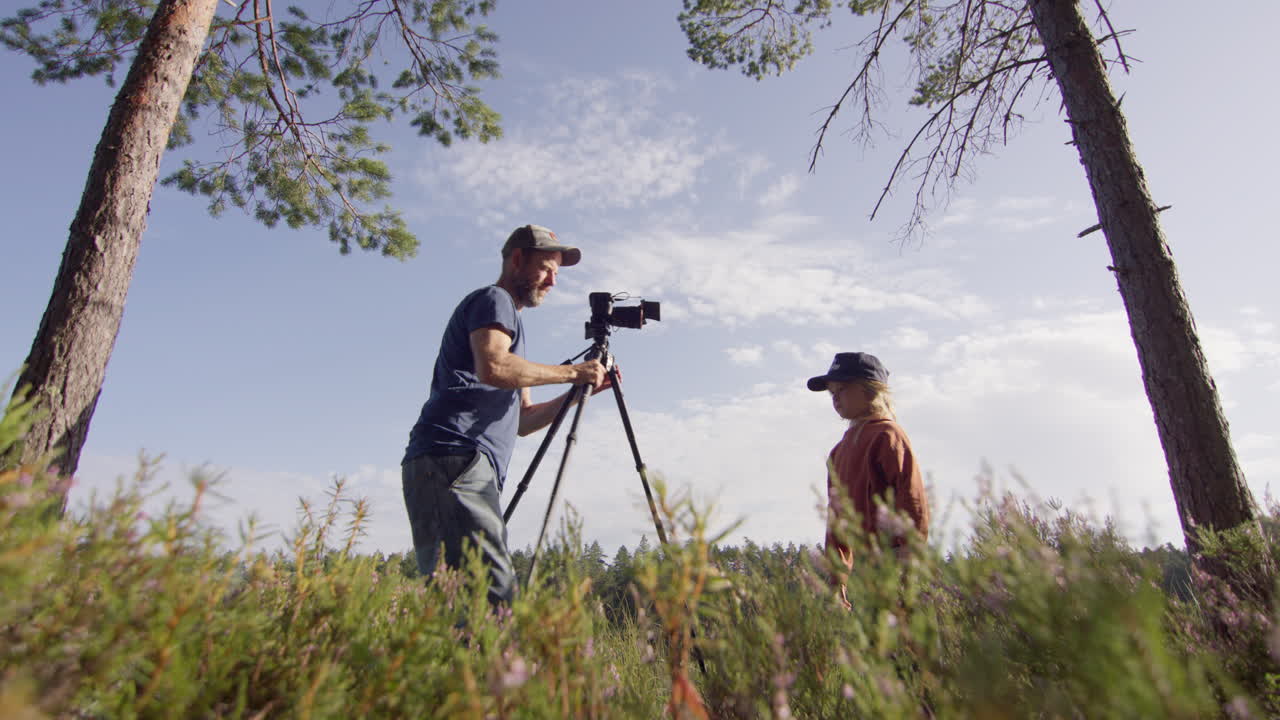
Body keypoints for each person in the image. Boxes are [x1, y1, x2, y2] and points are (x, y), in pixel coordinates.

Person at [401, 224, 609, 607]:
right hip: (457, 459)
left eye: (557, 274)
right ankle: (497, 667)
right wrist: (574, 372)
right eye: (547, 269)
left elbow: (525, 420)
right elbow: (494, 366)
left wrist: (579, 393)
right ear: (517, 259)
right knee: (493, 601)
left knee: (455, 605)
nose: (552, 281)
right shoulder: (494, 299)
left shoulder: (507, 323)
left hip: (448, 464)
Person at [807, 352, 929, 603]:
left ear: (871, 390)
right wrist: (837, 579)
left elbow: (911, 496)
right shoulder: (838, 451)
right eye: (832, 393)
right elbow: (837, 519)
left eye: (842, 389)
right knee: (870, 641)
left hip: (894, 560)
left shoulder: (887, 434)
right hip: (863, 571)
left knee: (905, 639)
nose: (836, 398)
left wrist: (909, 552)